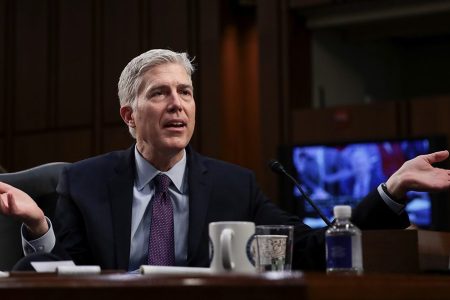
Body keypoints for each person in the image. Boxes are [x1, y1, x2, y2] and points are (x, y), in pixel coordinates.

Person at [1, 49, 450, 271]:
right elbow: (53, 276)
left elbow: (311, 248)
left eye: (186, 92)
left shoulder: (234, 186)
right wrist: (39, 227)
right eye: (159, 93)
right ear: (129, 116)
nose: (177, 104)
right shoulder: (86, 182)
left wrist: (390, 191)